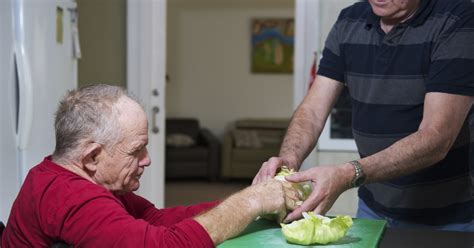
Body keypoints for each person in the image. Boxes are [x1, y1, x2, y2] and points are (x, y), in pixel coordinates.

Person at [253, 0, 474, 231]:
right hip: (373, 209)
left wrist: (348, 173)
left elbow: (437, 137)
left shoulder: (459, 19)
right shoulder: (349, 20)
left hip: (449, 218)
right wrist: (290, 159)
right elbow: (313, 109)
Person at [1, 84, 301, 247]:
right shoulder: (72, 197)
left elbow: (153, 218)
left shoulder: (80, 178)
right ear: (92, 157)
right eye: (136, 150)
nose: (147, 159)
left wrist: (250, 200)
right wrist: (251, 202)